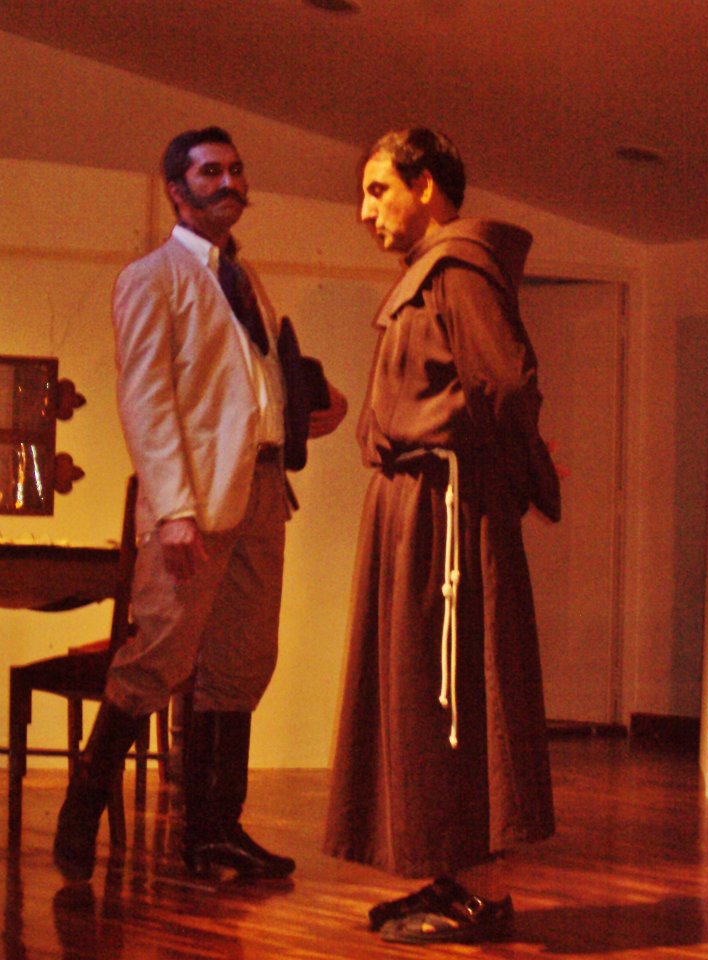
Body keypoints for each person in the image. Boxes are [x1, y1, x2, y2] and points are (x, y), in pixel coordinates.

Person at [53, 125, 346, 883]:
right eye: (211, 171)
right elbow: (146, 399)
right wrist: (174, 509)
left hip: (263, 492)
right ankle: (84, 802)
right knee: (161, 654)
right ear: (177, 190)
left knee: (243, 661)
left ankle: (215, 831)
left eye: (237, 170)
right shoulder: (151, 277)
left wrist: (301, 409)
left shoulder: (245, 279)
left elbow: (246, 382)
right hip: (195, 504)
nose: (230, 183)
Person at [323, 127, 560, 945]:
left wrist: (502, 475)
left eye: (378, 190)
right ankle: (447, 874)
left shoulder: (460, 268)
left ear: (426, 185)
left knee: (452, 692)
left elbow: (508, 387)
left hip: (444, 514)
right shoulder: (432, 271)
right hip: (417, 510)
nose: (366, 211)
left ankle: (474, 888)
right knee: (421, 694)